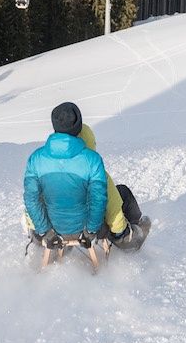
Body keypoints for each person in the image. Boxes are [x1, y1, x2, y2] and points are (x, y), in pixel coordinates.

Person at [25, 102, 148, 251]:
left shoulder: (36, 159)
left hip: (49, 230)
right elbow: (101, 200)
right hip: (85, 231)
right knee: (119, 193)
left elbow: (31, 199)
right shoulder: (92, 160)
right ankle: (128, 237)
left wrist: (43, 230)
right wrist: (93, 230)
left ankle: (38, 240)